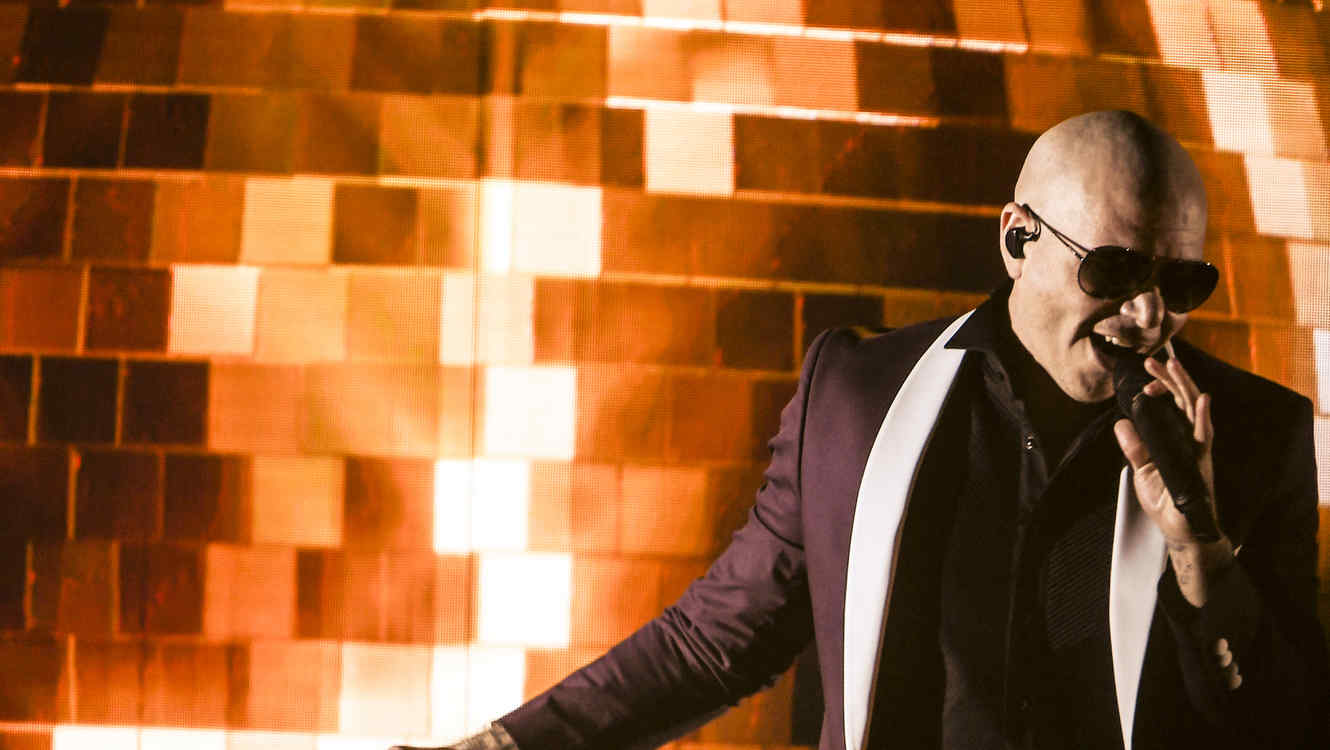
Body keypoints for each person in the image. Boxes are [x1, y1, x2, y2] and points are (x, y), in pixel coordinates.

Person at [409, 111, 1329, 750]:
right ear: (1017, 240)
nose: (1149, 313)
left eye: (1181, 282)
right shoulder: (858, 393)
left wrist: (1203, 555)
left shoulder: (1257, 437)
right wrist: (501, 745)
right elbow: (716, 639)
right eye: (1115, 271)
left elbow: (1290, 727)